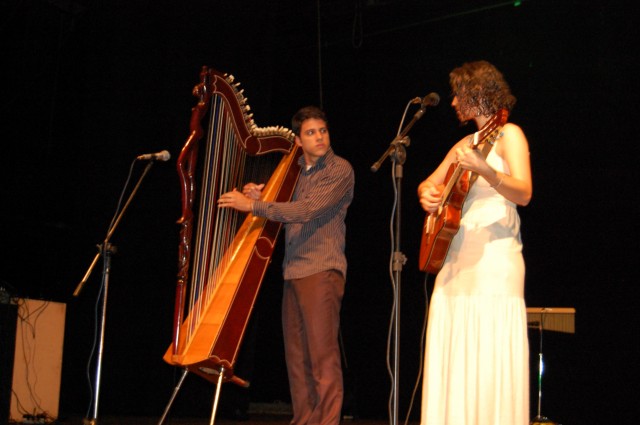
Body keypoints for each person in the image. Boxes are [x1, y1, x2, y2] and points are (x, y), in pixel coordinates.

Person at [218, 106, 355, 425]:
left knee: (322, 355)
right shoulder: (295, 171)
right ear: (298, 140)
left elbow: (305, 210)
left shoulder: (339, 169)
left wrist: (253, 205)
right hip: (293, 271)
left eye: (323, 130)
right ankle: (304, 419)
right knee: (297, 357)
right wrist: (260, 192)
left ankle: (327, 421)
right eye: (311, 132)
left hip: (322, 270)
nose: (319, 137)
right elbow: (285, 201)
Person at [417, 60, 532, 425]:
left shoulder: (509, 134)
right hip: (455, 260)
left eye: (457, 95)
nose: (452, 103)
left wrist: (487, 171)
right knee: (454, 345)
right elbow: (427, 184)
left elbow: (524, 193)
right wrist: (427, 195)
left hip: (495, 261)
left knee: (488, 351)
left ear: (476, 93)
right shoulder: (465, 144)